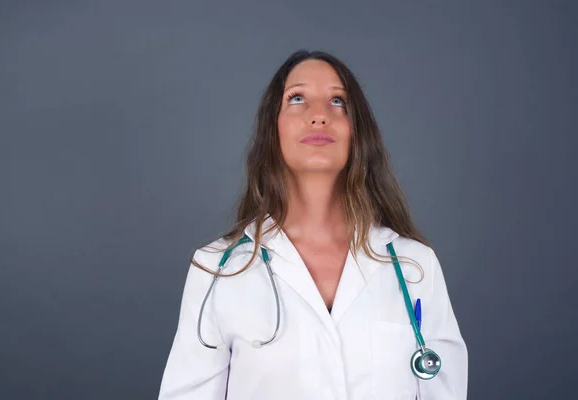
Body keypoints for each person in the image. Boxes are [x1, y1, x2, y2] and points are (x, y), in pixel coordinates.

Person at [158, 50, 468, 400]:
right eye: (297, 98)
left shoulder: (414, 266)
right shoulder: (217, 268)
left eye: (338, 101)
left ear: (358, 132)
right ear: (272, 128)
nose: (319, 115)